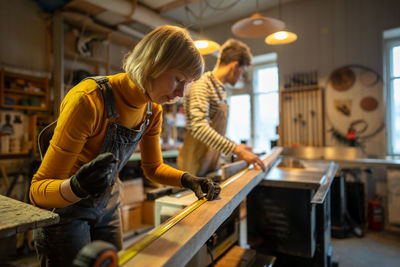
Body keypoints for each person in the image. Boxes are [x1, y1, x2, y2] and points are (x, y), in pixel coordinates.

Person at [30, 25, 221, 267]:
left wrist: (188, 180)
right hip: (67, 212)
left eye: (188, 84)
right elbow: (38, 192)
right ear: (155, 63)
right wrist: (76, 187)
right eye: (178, 80)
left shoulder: (152, 110)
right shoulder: (88, 101)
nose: (181, 93)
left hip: (108, 204)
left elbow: (153, 168)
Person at [177, 39, 265, 177]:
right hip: (193, 166)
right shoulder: (202, 85)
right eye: (242, 72)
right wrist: (238, 151)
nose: (241, 77)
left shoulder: (220, 90)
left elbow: (215, 131)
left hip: (210, 163)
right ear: (235, 66)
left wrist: (236, 145)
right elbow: (199, 128)